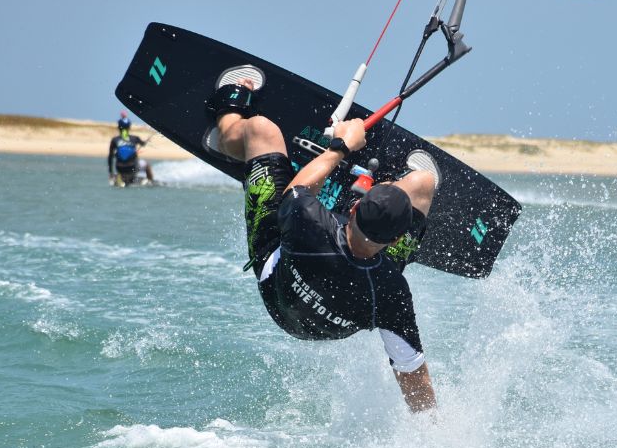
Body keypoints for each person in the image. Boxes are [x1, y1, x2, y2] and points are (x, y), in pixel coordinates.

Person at [207, 66, 439, 412]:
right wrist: (435, 441)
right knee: (423, 184)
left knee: (260, 129)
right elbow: (410, 371)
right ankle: (397, 186)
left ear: (355, 207)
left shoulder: (309, 220)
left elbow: (297, 191)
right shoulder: (391, 290)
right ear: (396, 241)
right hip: (331, 327)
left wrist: (340, 148)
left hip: (276, 283)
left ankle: (227, 130)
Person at [107, 111, 155, 186]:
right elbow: (143, 144)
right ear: (129, 127)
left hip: (119, 168)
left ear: (118, 127)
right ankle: (150, 181)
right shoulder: (135, 138)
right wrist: (146, 141)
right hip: (133, 168)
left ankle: (119, 177)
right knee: (146, 164)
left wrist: (111, 172)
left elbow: (110, 157)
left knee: (123, 168)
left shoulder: (115, 140)